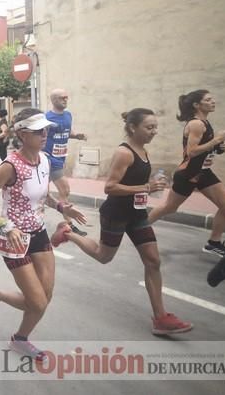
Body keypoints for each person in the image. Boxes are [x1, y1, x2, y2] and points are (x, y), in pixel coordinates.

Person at [51, 108, 193, 335]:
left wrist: (153, 183)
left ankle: (160, 318)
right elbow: (110, 187)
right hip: (116, 213)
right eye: (149, 127)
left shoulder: (143, 151)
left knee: (153, 261)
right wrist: (146, 187)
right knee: (103, 256)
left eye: (155, 127)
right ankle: (67, 232)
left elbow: (134, 180)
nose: (154, 131)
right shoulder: (124, 152)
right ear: (132, 128)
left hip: (137, 213)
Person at [0, 109, 85, 360]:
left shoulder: (45, 159)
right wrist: (4, 225)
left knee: (45, 296)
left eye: (45, 129)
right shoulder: (9, 166)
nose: (44, 134)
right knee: (37, 303)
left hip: (39, 234)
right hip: (14, 238)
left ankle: (19, 338)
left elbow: (42, 193)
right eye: (38, 131)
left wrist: (60, 206)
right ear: (23, 134)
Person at [147, 90, 225, 257]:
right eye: (208, 100)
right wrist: (216, 140)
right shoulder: (196, 124)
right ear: (197, 105)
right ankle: (140, 228)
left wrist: (219, 148)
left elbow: (205, 149)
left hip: (204, 173)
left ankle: (213, 243)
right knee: (169, 207)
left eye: (212, 99)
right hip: (188, 174)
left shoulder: (205, 122)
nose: (213, 101)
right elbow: (192, 152)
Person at [43, 89, 88, 236]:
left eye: (66, 98)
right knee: (49, 193)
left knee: (59, 192)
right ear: (54, 100)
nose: (65, 100)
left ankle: (68, 225)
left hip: (59, 159)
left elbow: (67, 132)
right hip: (47, 160)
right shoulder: (46, 117)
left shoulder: (68, 115)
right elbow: (40, 136)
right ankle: (66, 223)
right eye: (62, 98)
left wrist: (77, 136)